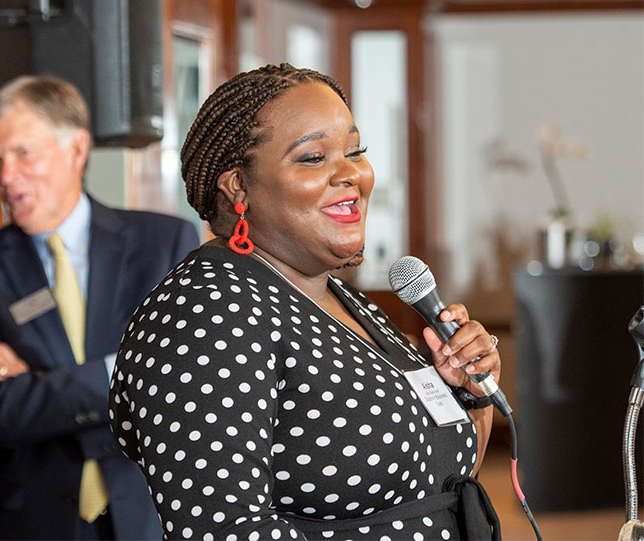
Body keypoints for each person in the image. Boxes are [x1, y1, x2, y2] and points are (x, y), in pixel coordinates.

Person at [109, 63, 502, 540]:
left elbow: (440, 489)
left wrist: (469, 393)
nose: (351, 174)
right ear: (239, 186)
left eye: (355, 151)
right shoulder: (205, 313)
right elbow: (225, 531)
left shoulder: (342, 299)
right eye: (314, 157)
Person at [0, 74, 199, 540]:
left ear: (77, 149)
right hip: (32, 521)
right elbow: (1, 412)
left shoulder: (164, 244)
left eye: (24, 153)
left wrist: (38, 383)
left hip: (151, 514)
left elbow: (183, 386)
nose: (5, 177)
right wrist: (123, 370)